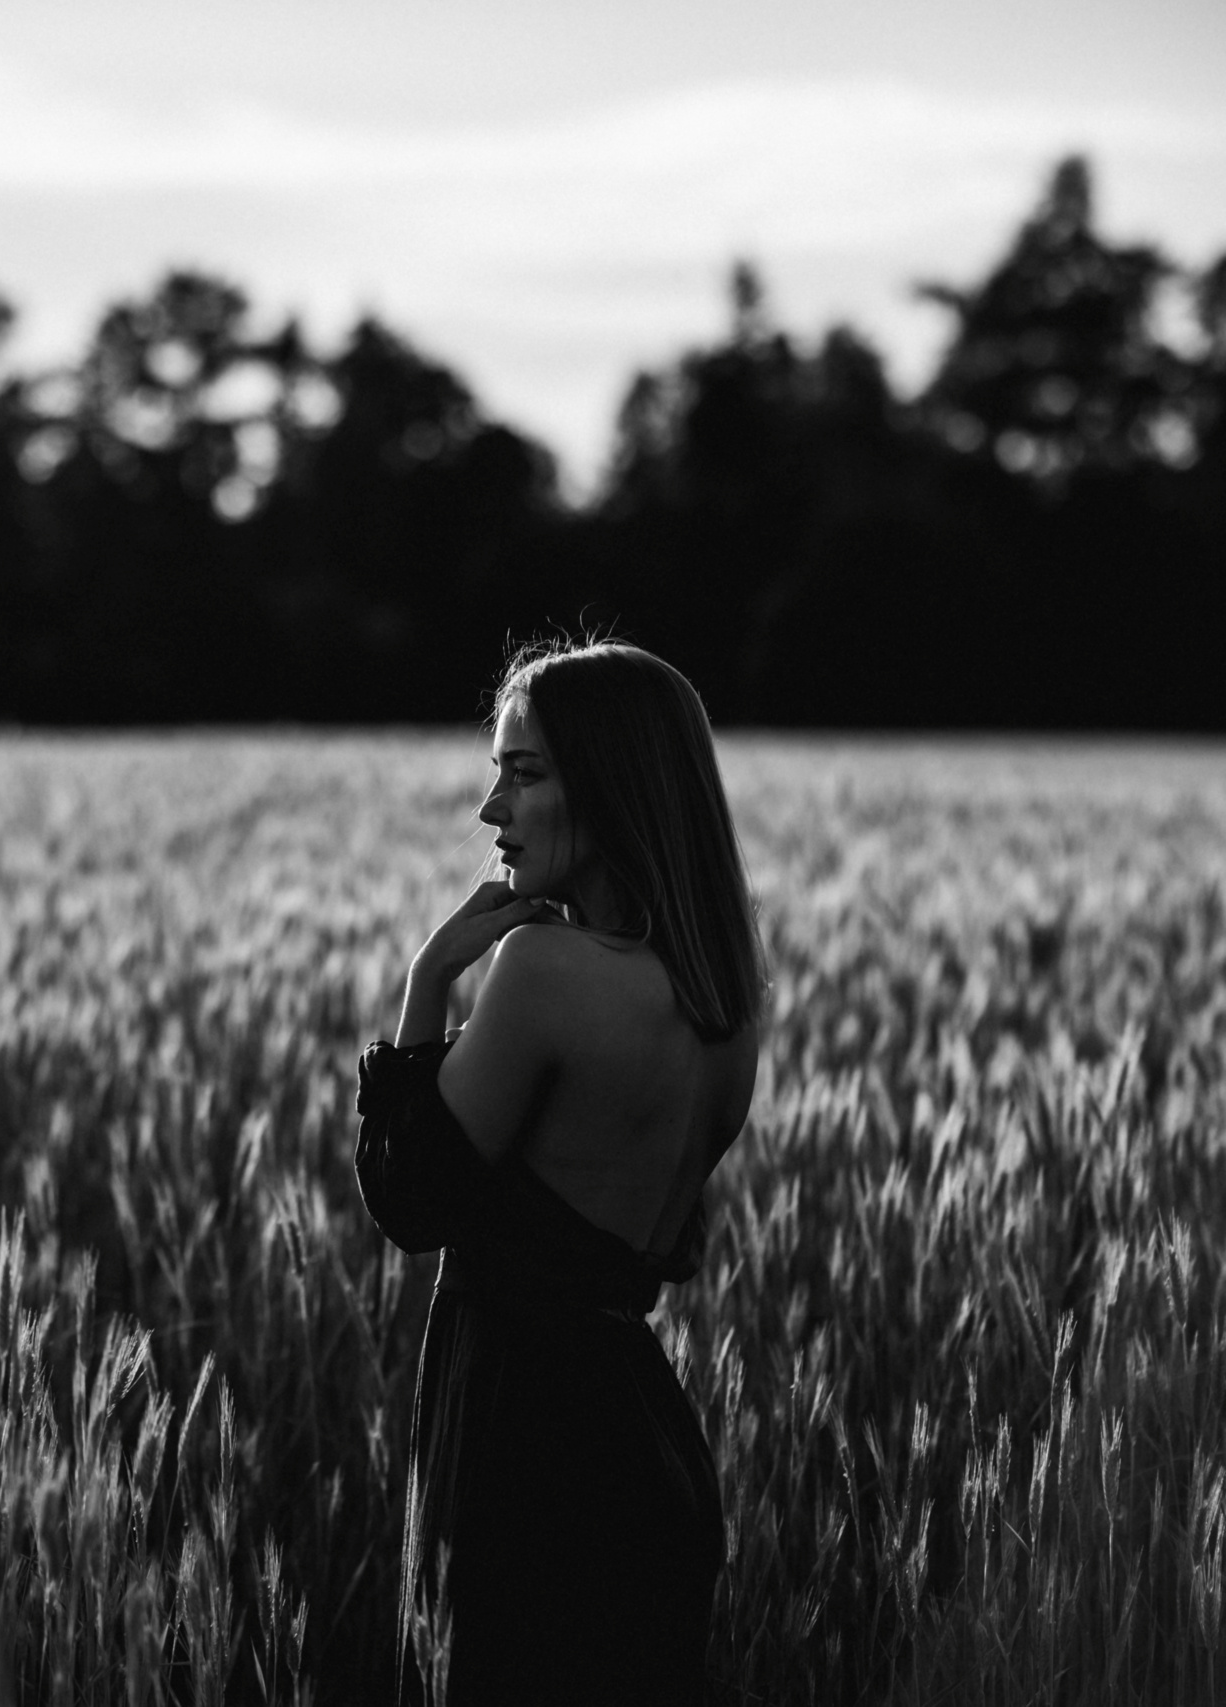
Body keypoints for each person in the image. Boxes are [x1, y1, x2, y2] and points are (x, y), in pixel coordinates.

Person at [356, 639, 763, 1704]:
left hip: (523, 1454)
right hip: (646, 1445)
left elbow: (411, 1201)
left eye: (523, 772)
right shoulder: (728, 1009)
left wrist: (427, 981)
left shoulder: (541, 971)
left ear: (614, 786)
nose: (492, 809)